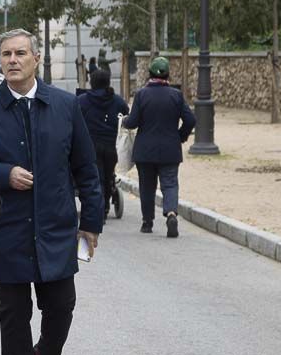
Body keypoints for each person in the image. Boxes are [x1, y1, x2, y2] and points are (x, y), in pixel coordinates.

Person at [0, 30, 104, 355]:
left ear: (36, 58)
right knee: (13, 316)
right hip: (6, 229)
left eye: (20, 53)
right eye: (6, 54)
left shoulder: (65, 105)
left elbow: (86, 168)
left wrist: (91, 223)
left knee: (61, 306)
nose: (13, 60)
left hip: (57, 227)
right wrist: (5, 174)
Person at [123, 56, 196, 238]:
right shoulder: (176, 95)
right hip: (170, 149)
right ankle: (171, 213)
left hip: (145, 151)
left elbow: (133, 122)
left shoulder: (141, 95)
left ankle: (147, 222)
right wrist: (180, 136)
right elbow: (191, 120)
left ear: (149, 74)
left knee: (147, 186)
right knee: (170, 183)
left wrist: (124, 121)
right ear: (168, 74)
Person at [77, 69, 129, 219]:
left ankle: (99, 207)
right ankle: (105, 206)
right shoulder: (118, 101)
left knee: (97, 177)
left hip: (90, 145)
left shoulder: (83, 100)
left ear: (91, 82)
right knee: (108, 175)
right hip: (111, 145)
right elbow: (126, 116)